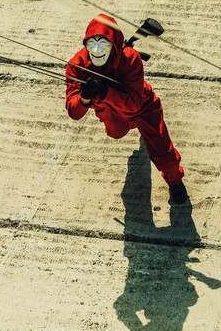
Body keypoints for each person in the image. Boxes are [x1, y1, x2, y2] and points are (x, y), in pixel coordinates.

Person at [66, 14, 187, 203]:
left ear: (114, 44)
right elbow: (73, 112)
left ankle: (176, 182)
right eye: (91, 43)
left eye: (103, 43)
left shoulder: (130, 59)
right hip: (111, 113)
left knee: (164, 156)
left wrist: (106, 93)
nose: (97, 50)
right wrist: (84, 98)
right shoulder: (76, 66)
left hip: (144, 108)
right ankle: (141, 134)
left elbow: (134, 104)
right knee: (116, 133)